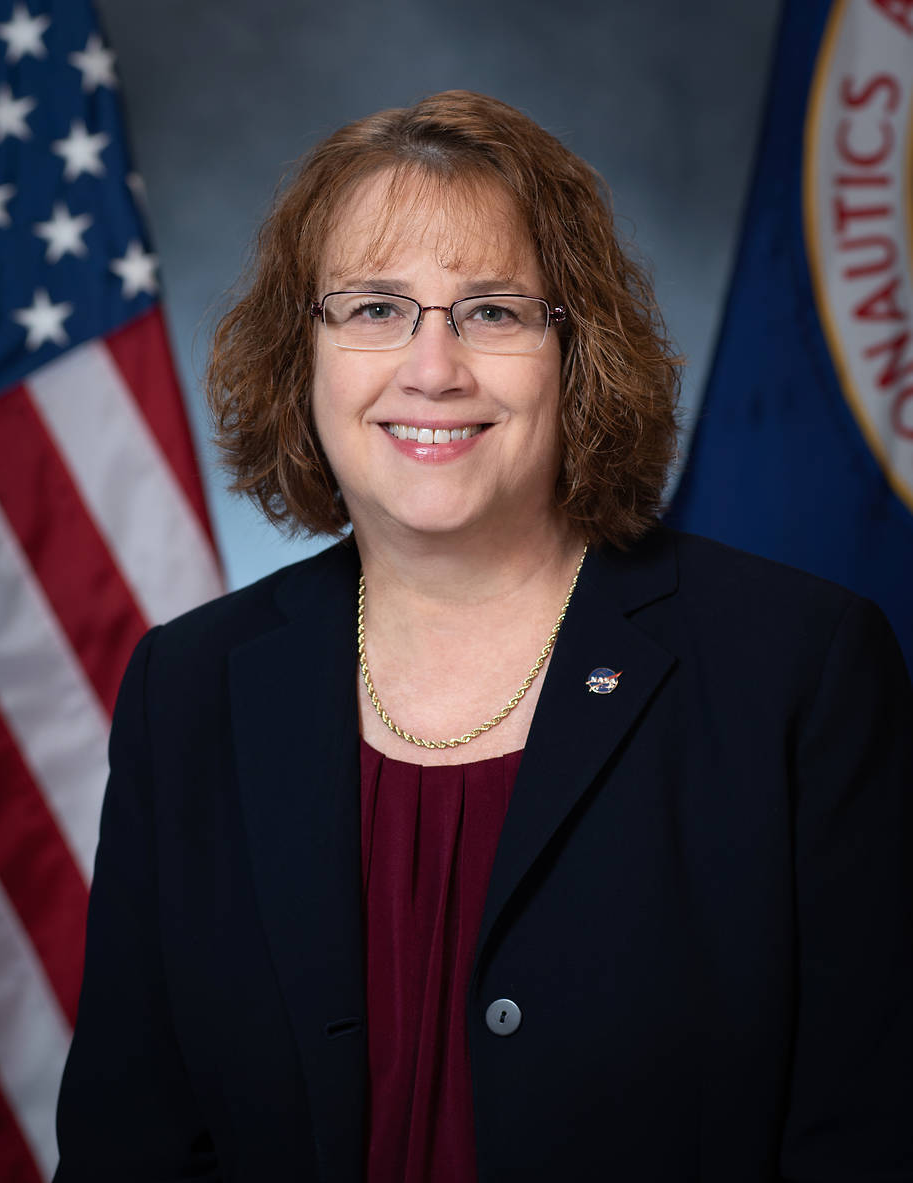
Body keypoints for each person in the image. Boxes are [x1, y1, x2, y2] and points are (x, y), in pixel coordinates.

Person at [54, 91, 913, 1182]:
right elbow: (126, 1146)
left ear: (577, 350)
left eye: (493, 312)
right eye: (374, 309)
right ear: (299, 356)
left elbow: (869, 1137)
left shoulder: (798, 669)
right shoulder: (189, 688)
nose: (432, 369)